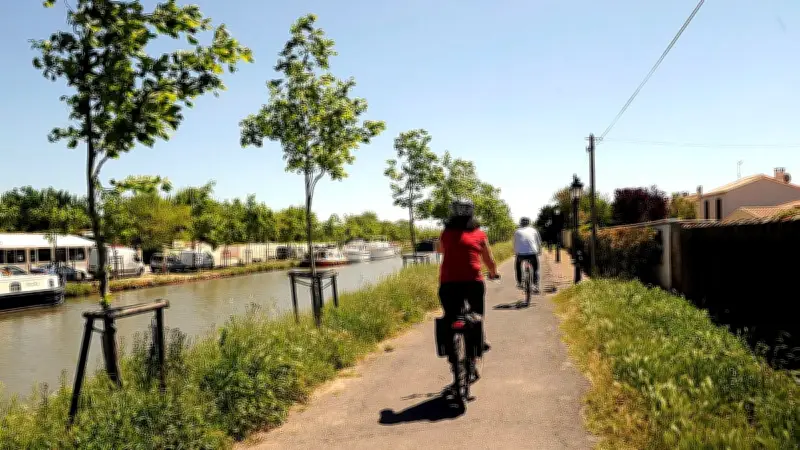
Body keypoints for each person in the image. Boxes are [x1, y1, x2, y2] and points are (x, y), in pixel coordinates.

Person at [437, 197, 498, 360]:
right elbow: (489, 260)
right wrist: (493, 272)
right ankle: (480, 341)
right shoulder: (479, 234)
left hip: (448, 283)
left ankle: (451, 351)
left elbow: (440, 250)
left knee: (450, 316)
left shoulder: (445, 233)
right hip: (473, 282)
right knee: (476, 314)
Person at [513, 217, 542, 291]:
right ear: (529, 223)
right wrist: (539, 251)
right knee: (535, 269)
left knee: (517, 267)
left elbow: (515, 243)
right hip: (532, 253)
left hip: (521, 254)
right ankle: (535, 285)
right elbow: (539, 242)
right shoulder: (534, 230)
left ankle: (520, 283)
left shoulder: (517, 231)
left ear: (521, 223)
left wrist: (516, 252)